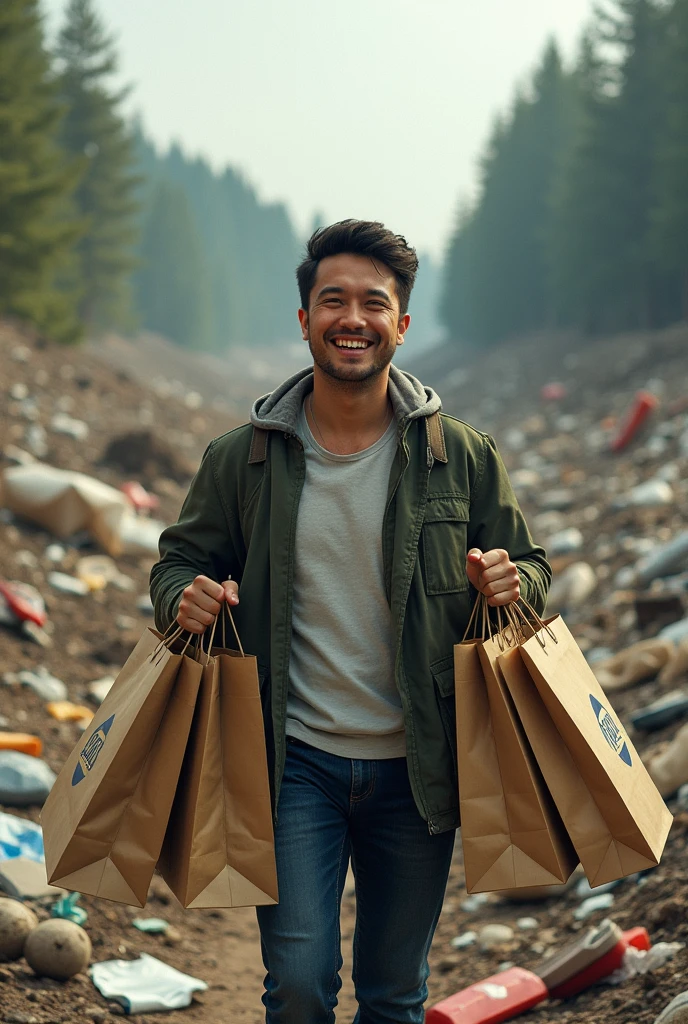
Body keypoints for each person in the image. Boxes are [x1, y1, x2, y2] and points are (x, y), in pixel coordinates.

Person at [150, 219, 551, 1024]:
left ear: (402, 324)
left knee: (395, 994)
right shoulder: (245, 458)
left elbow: (532, 572)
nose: (352, 318)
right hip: (293, 760)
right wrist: (183, 597)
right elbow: (174, 565)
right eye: (333, 299)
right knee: (298, 984)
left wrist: (513, 583)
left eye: (375, 302)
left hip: (418, 767)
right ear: (305, 320)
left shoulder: (463, 458)